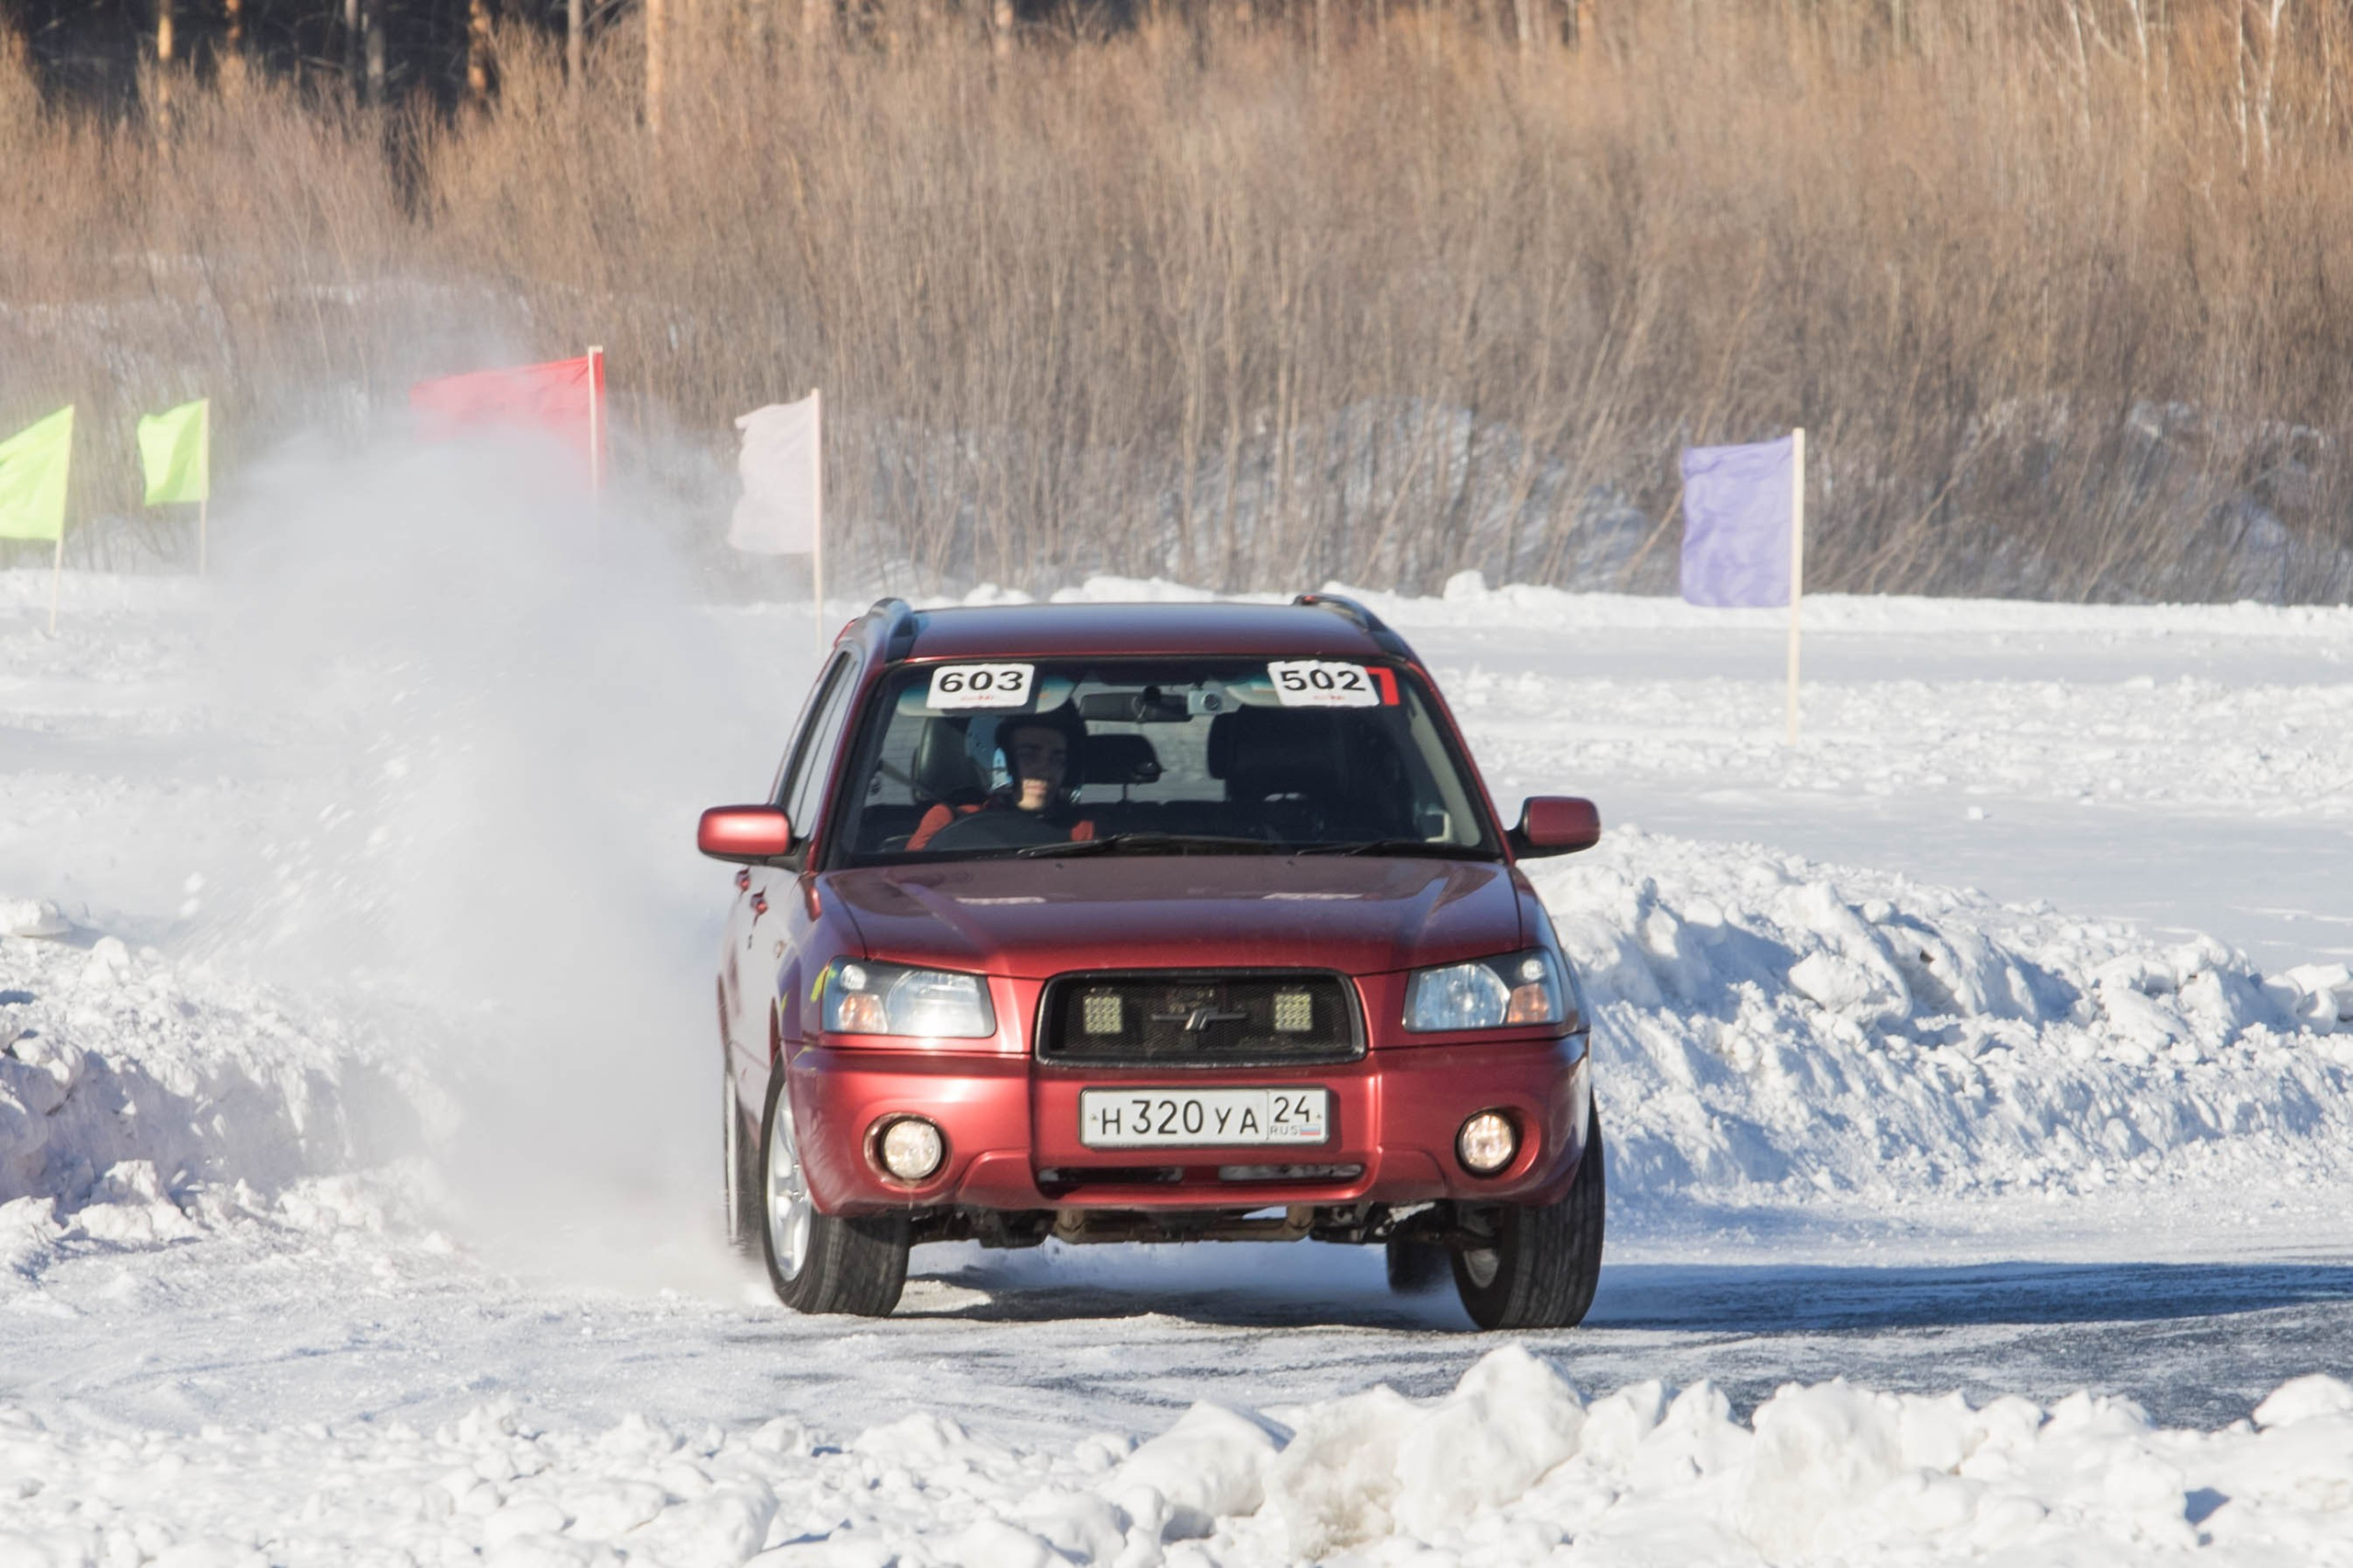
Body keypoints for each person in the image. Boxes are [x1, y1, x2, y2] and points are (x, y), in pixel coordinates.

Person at [908, 709, 1098, 851]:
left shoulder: (1078, 831)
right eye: (1028, 755)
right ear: (999, 760)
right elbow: (910, 887)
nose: (1044, 769)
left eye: (1057, 759)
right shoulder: (947, 819)